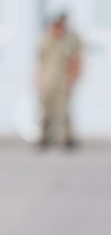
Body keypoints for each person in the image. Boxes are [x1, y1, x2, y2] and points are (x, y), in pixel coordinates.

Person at [37, 13, 83, 149]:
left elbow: (75, 61)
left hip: (63, 80)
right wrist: (39, 81)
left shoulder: (68, 42)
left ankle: (66, 138)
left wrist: (73, 78)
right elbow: (40, 64)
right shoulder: (46, 41)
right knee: (45, 110)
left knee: (63, 110)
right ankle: (44, 137)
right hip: (48, 81)